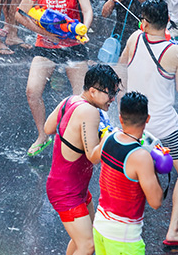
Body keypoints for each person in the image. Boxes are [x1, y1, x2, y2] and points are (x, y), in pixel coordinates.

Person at [118, 0, 178, 246]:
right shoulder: (175, 52)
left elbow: (121, 70)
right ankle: (174, 231)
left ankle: (127, 224)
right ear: (168, 21)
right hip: (166, 127)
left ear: (145, 22)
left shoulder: (134, 39)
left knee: (136, 174)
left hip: (138, 126)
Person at [16, 0, 92, 156]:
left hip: (73, 45)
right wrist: (44, 33)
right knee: (32, 91)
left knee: (82, 98)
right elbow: (19, 14)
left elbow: (87, 9)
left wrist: (85, 27)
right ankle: (42, 135)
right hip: (46, 47)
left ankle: (80, 138)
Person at [44, 64, 121, 255]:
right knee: (88, 246)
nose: (113, 99)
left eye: (115, 93)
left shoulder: (69, 101)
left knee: (85, 239)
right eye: (110, 93)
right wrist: (109, 137)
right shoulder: (90, 112)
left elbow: (48, 128)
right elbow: (94, 157)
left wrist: (73, 134)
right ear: (93, 91)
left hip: (72, 187)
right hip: (66, 192)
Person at [90, 92, 163, 254]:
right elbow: (156, 201)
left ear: (121, 118)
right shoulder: (142, 157)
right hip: (124, 240)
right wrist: (154, 166)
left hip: (100, 228)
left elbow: (94, 156)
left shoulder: (109, 137)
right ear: (147, 119)